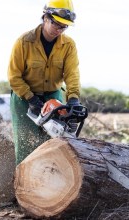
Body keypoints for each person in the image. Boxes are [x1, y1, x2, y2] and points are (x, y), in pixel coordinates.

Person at [7, 0, 81, 165]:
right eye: (56, 24)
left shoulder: (68, 45)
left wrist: (73, 98)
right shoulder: (24, 42)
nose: (59, 30)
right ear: (46, 17)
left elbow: (72, 73)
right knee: (26, 143)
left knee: (54, 142)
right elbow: (14, 76)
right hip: (24, 98)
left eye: (64, 27)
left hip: (53, 95)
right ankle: (23, 183)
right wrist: (31, 99)